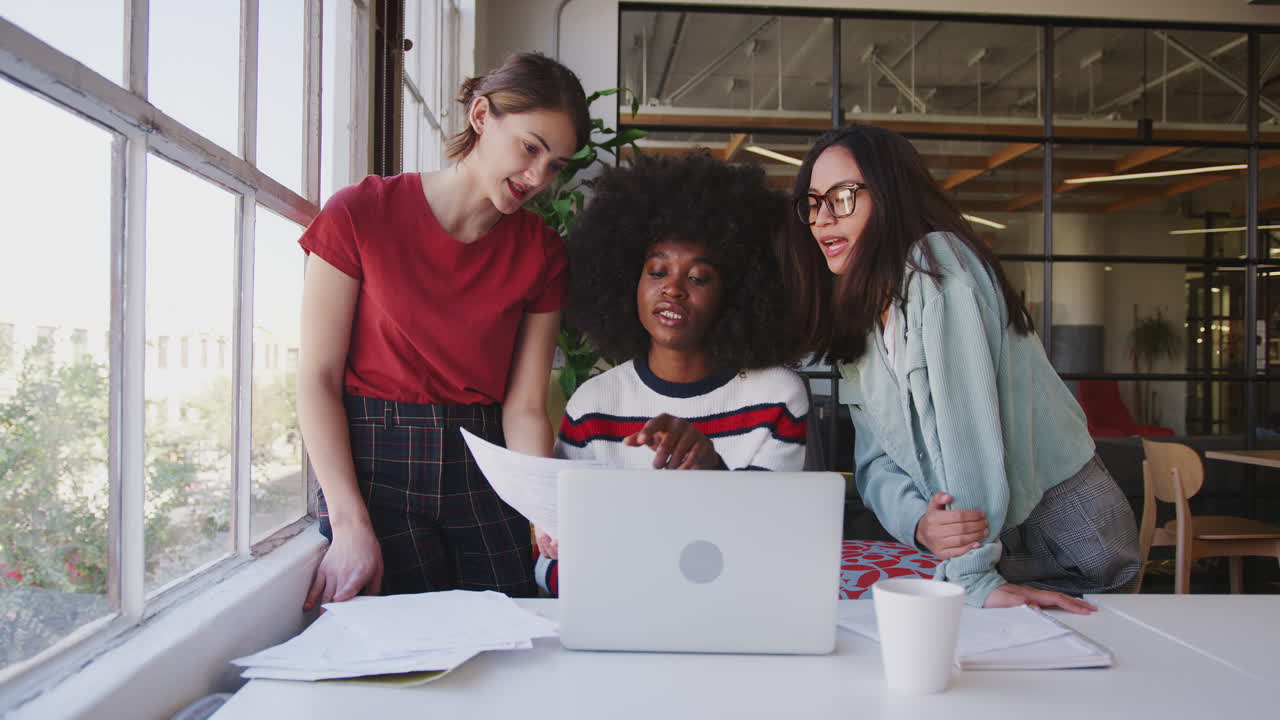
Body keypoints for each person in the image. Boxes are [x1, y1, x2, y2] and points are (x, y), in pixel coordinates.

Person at [779, 125, 1140, 613]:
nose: (822, 219)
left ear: (890, 193)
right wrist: (919, 523)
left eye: (842, 197)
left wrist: (972, 575)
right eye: (813, 202)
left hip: (1064, 534)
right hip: (979, 546)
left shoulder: (938, 264)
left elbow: (969, 433)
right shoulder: (861, 316)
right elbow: (873, 462)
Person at [296, 52, 590, 608]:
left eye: (556, 165)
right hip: (375, 470)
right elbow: (316, 378)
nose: (538, 177)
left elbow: (525, 408)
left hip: (485, 467)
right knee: (396, 659)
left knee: (506, 649)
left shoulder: (542, 253)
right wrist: (349, 522)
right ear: (481, 115)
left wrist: (544, 511)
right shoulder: (358, 213)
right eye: (531, 147)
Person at [537, 151, 811, 564]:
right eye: (657, 271)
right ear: (628, 280)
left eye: (699, 278)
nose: (673, 290)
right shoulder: (594, 407)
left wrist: (714, 475)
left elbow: (771, 551)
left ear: (737, 295)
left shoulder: (776, 398)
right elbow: (551, 564)